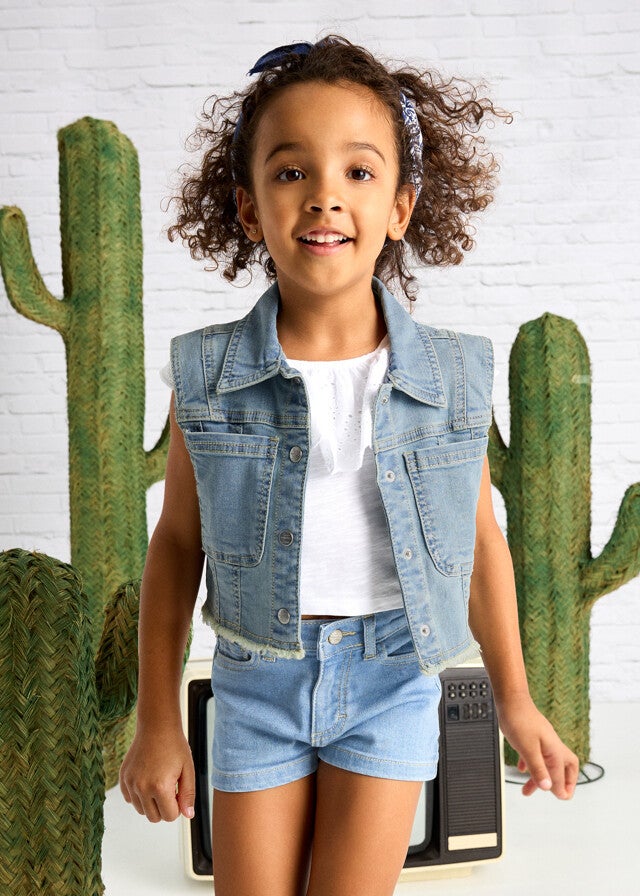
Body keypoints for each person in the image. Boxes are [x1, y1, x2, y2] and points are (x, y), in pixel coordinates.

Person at [119, 35, 579, 896]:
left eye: (358, 172)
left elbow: (479, 544)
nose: (325, 194)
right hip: (257, 682)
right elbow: (177, 546)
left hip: (394, 678)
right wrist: (157, 720)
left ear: (401, 207)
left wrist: (516, 701)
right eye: (292, 171)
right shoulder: (208, 374)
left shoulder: (450, 376)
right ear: (249, 210)